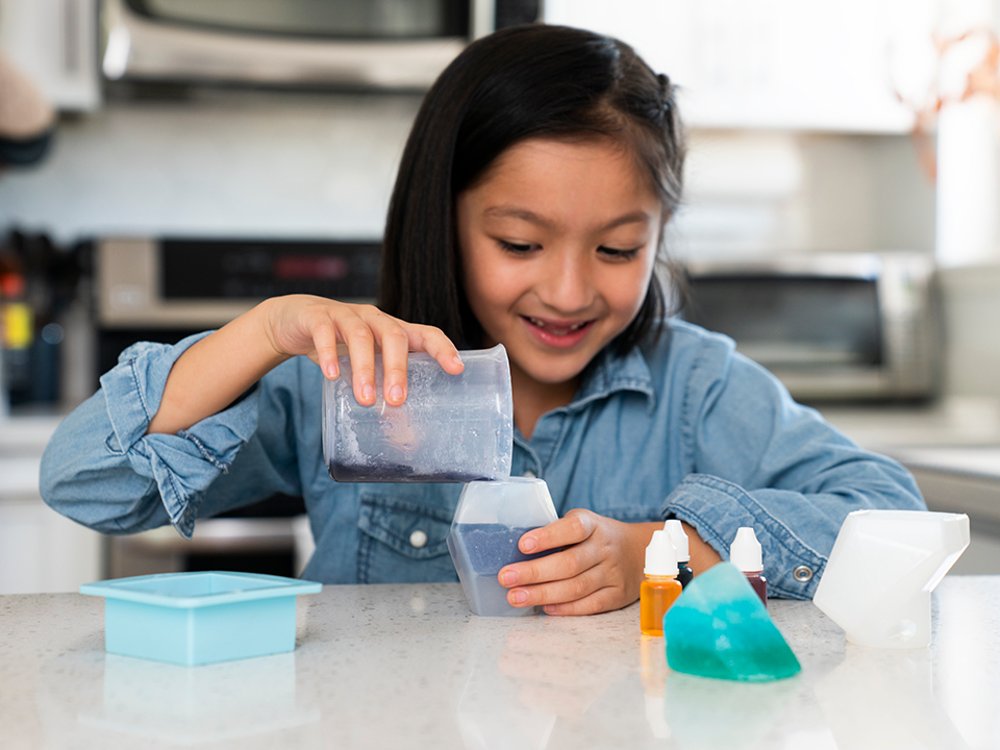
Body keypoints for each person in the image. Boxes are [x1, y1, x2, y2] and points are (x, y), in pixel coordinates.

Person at [40, 24, 925, 615]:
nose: (572, 292)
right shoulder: (350, 379)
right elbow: (85, 481)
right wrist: (267, 333)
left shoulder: (694, 386)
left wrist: (672, 551)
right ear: (446, 219)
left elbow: (892, 517)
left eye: (618, 250)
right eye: (520, 243)